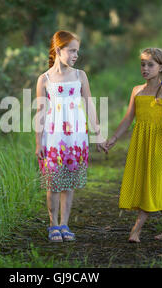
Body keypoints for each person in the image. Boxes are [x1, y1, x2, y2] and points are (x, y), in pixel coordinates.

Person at [104, 48, 162, 243]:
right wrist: (114, 138)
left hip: (159, 144)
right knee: (152, 185)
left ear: (161, 67)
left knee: (152, 185)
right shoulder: (137, 90)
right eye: (143, 64)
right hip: (140, 143)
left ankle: (136, 230)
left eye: (150, 64)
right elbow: (128, 118)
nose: (145, 68)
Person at [35, 30, 107, 242]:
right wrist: (38, 142)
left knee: (69, 181)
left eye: (78, 51)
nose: (76, 55)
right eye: (72, 50)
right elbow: (40, 112)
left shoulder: (80, 76)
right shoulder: (44, 79)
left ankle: (65, 223)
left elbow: (89, 104)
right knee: (54, 182)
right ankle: (53, 224)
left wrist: (98, 133)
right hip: (53, 136)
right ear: (58, 50)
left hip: (75, 136)